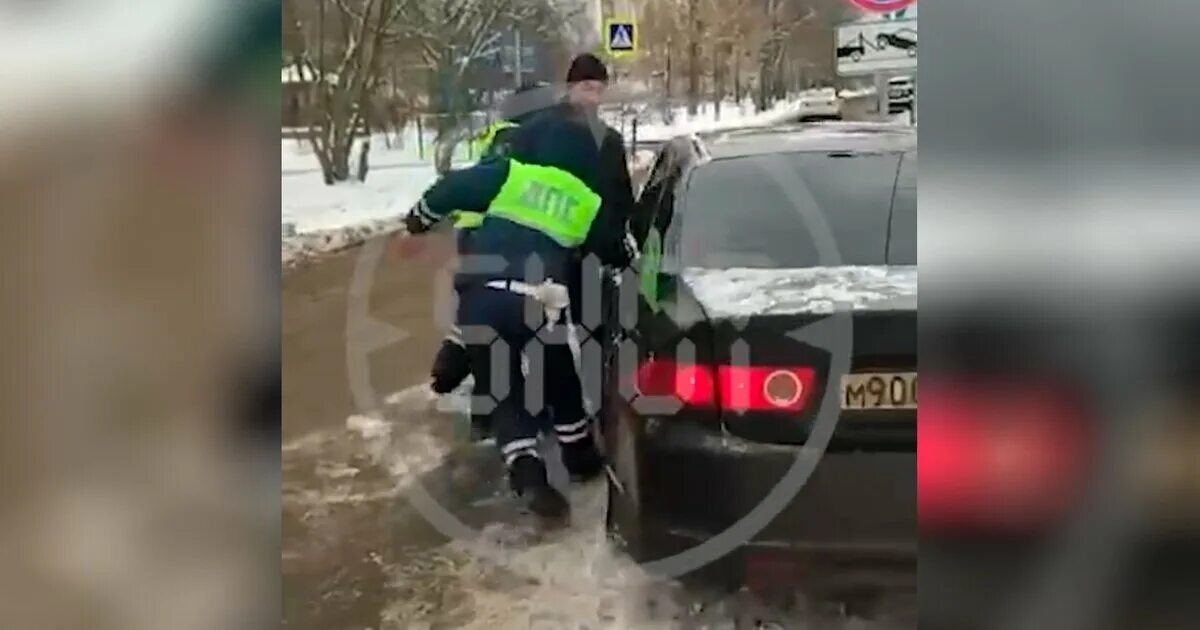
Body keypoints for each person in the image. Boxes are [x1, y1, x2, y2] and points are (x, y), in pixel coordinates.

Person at [399, 112, 626, 520]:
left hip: (481, 298)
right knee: (559, 374)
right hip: (542, 301)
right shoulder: (589, 201)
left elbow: (451, 188)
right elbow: (614, 250)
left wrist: (419, 219)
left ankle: (525, 465)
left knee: (500, 384)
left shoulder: (512, 175)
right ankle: (578, 455)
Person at [428, 81, 558, 442]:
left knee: (485, 323)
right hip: (505, 239)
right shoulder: (527, 142)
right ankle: (517, 413)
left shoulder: (498, 136)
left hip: (475, 237)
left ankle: (482, 407)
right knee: (522, 325)